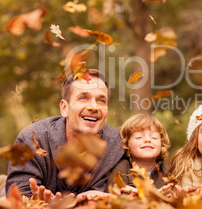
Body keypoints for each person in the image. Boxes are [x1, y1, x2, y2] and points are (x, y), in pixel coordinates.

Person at [6, 69, 125, 200]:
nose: (94, 107)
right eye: (83, 98)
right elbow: (17, 195)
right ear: (64, 108)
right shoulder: (32, 139)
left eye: (101, 101)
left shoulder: (118, 144)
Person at [106, 114, 171, 192]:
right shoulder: (121, 170)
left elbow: (174, 195)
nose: (147, 140)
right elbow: (111, 197)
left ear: (161, 144)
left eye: (154, 137)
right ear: (127, 144)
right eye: (139, 137)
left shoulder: (166, 170)